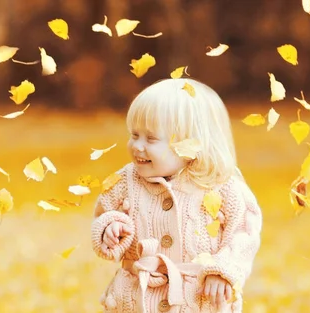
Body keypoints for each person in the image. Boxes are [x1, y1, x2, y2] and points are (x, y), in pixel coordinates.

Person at [90, 78, 263, 312]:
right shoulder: (126, 180)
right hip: (136, 299)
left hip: (199, 300)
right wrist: (110, 227)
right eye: (134, 135)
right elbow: (103, 213)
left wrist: (223, 270)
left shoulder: (219, 184)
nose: (138, 146)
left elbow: (244, 232)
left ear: (190, 143)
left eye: (151, 138)